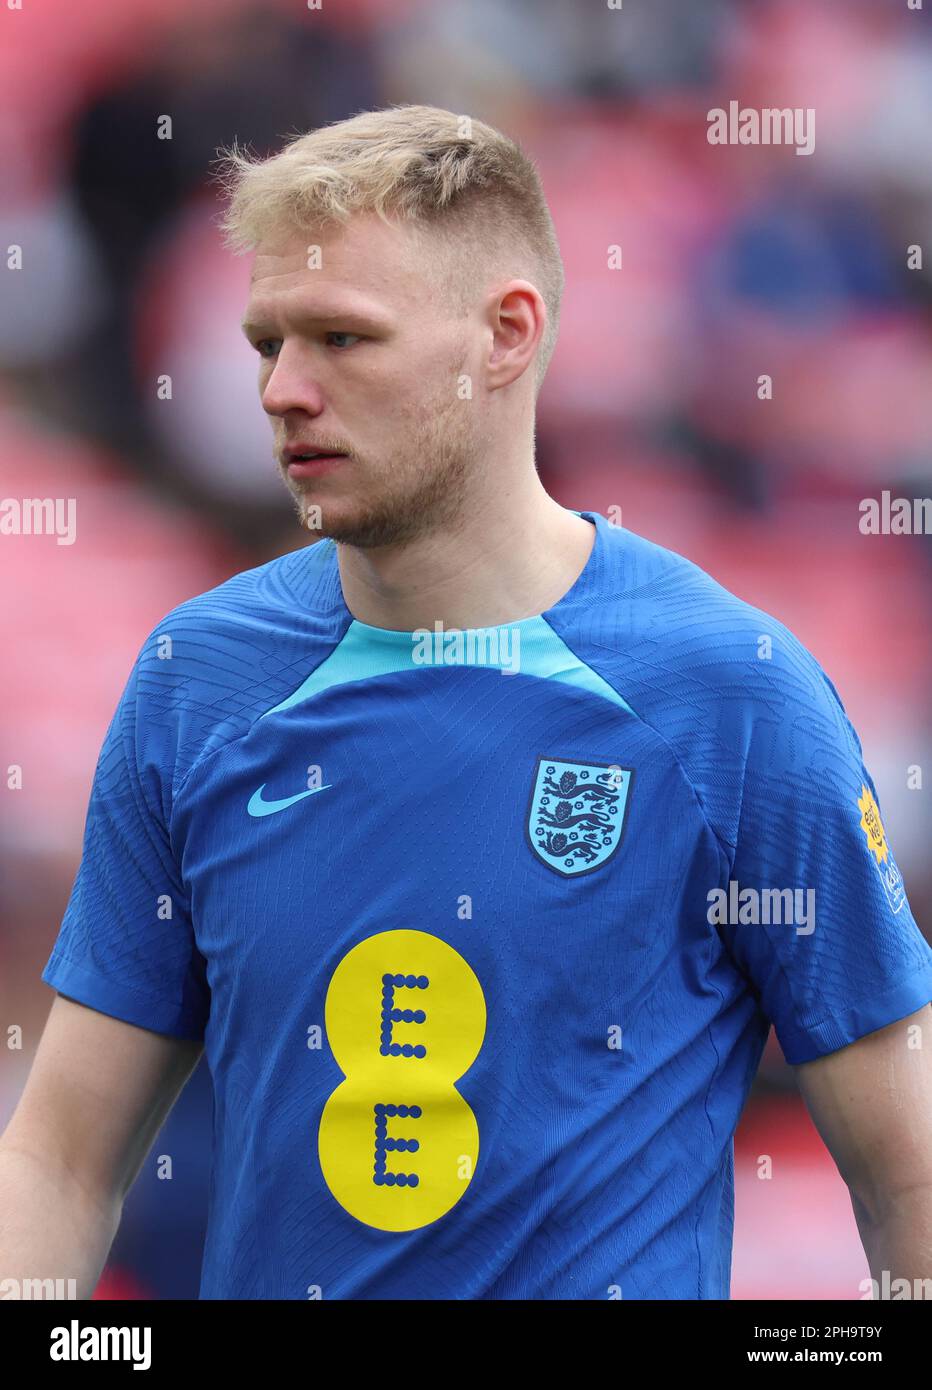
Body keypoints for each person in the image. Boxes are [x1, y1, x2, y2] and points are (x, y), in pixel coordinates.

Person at [2, 105, 931, 1301]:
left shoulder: (725, 698)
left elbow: (905, 1175)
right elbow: (63, 1158)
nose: (284, 390)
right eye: (266, 342)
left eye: (342, 337)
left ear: (505, 336)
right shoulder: (199, 681)